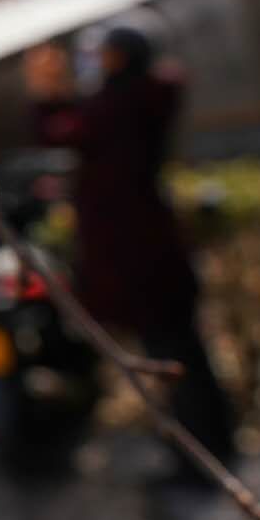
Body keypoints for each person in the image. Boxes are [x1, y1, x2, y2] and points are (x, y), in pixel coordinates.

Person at [24, 27, 238, 482]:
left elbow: (65, 132)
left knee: (175, 359)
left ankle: (201, 459)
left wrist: (46, 95)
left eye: (103, 55)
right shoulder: (139, 98)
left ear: (120, 58)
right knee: (187, 354)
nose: (96, 63)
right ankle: (213, 443)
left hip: (139, 259)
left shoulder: (121, 104)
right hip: (158, 250)